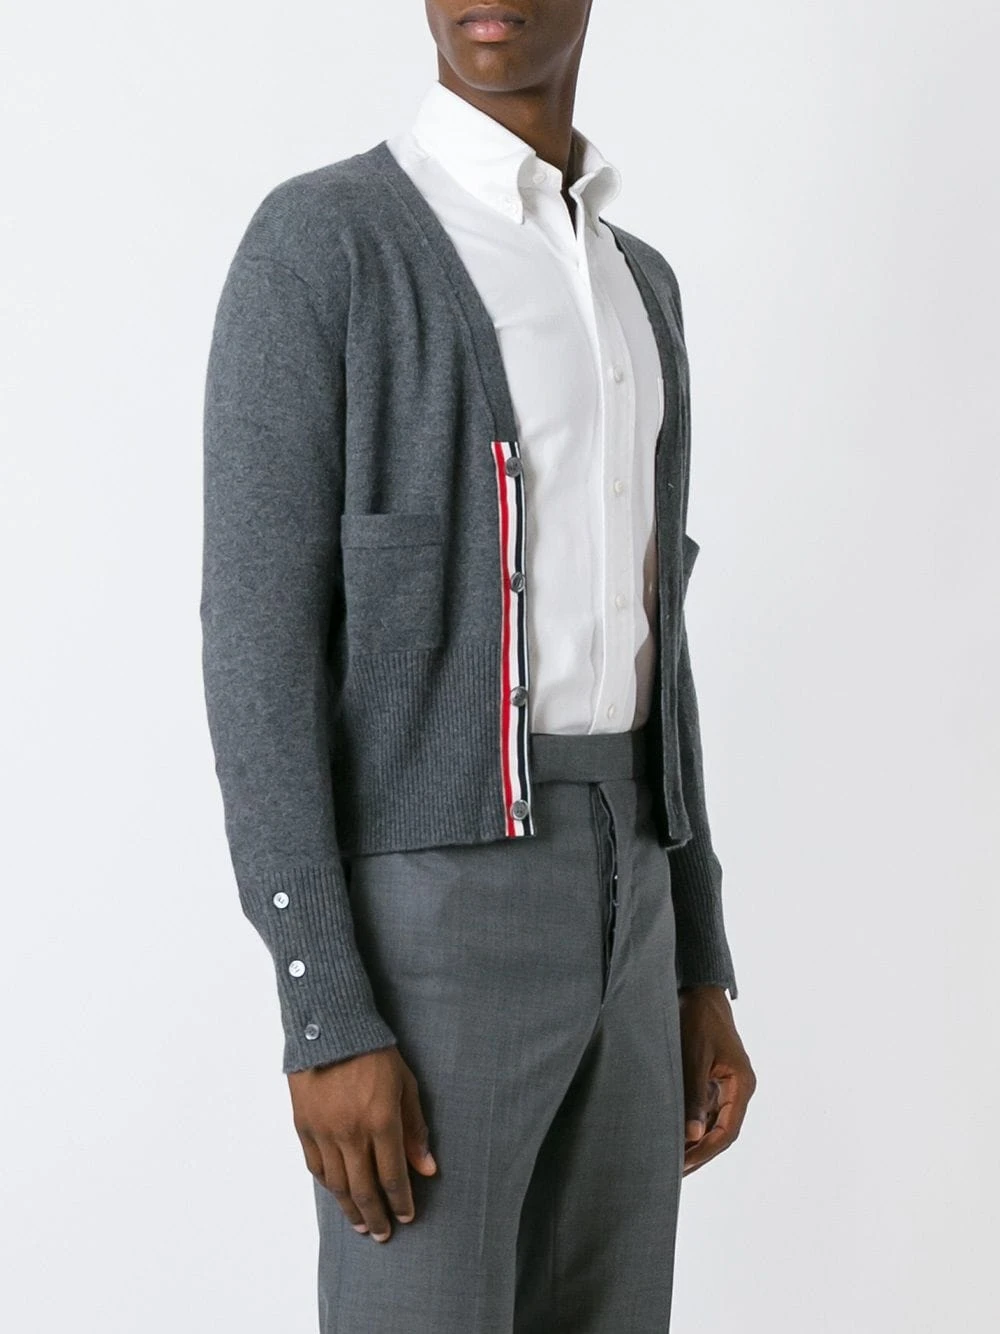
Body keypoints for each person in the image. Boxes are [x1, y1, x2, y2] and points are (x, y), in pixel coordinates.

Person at [200, 2, 756, 1329]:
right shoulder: (323, 245)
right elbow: (257, 647)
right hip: (431, 907)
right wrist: (323, 1007)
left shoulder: (639, 286)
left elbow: (657, 637)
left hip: (633, 890)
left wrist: (697, 955)